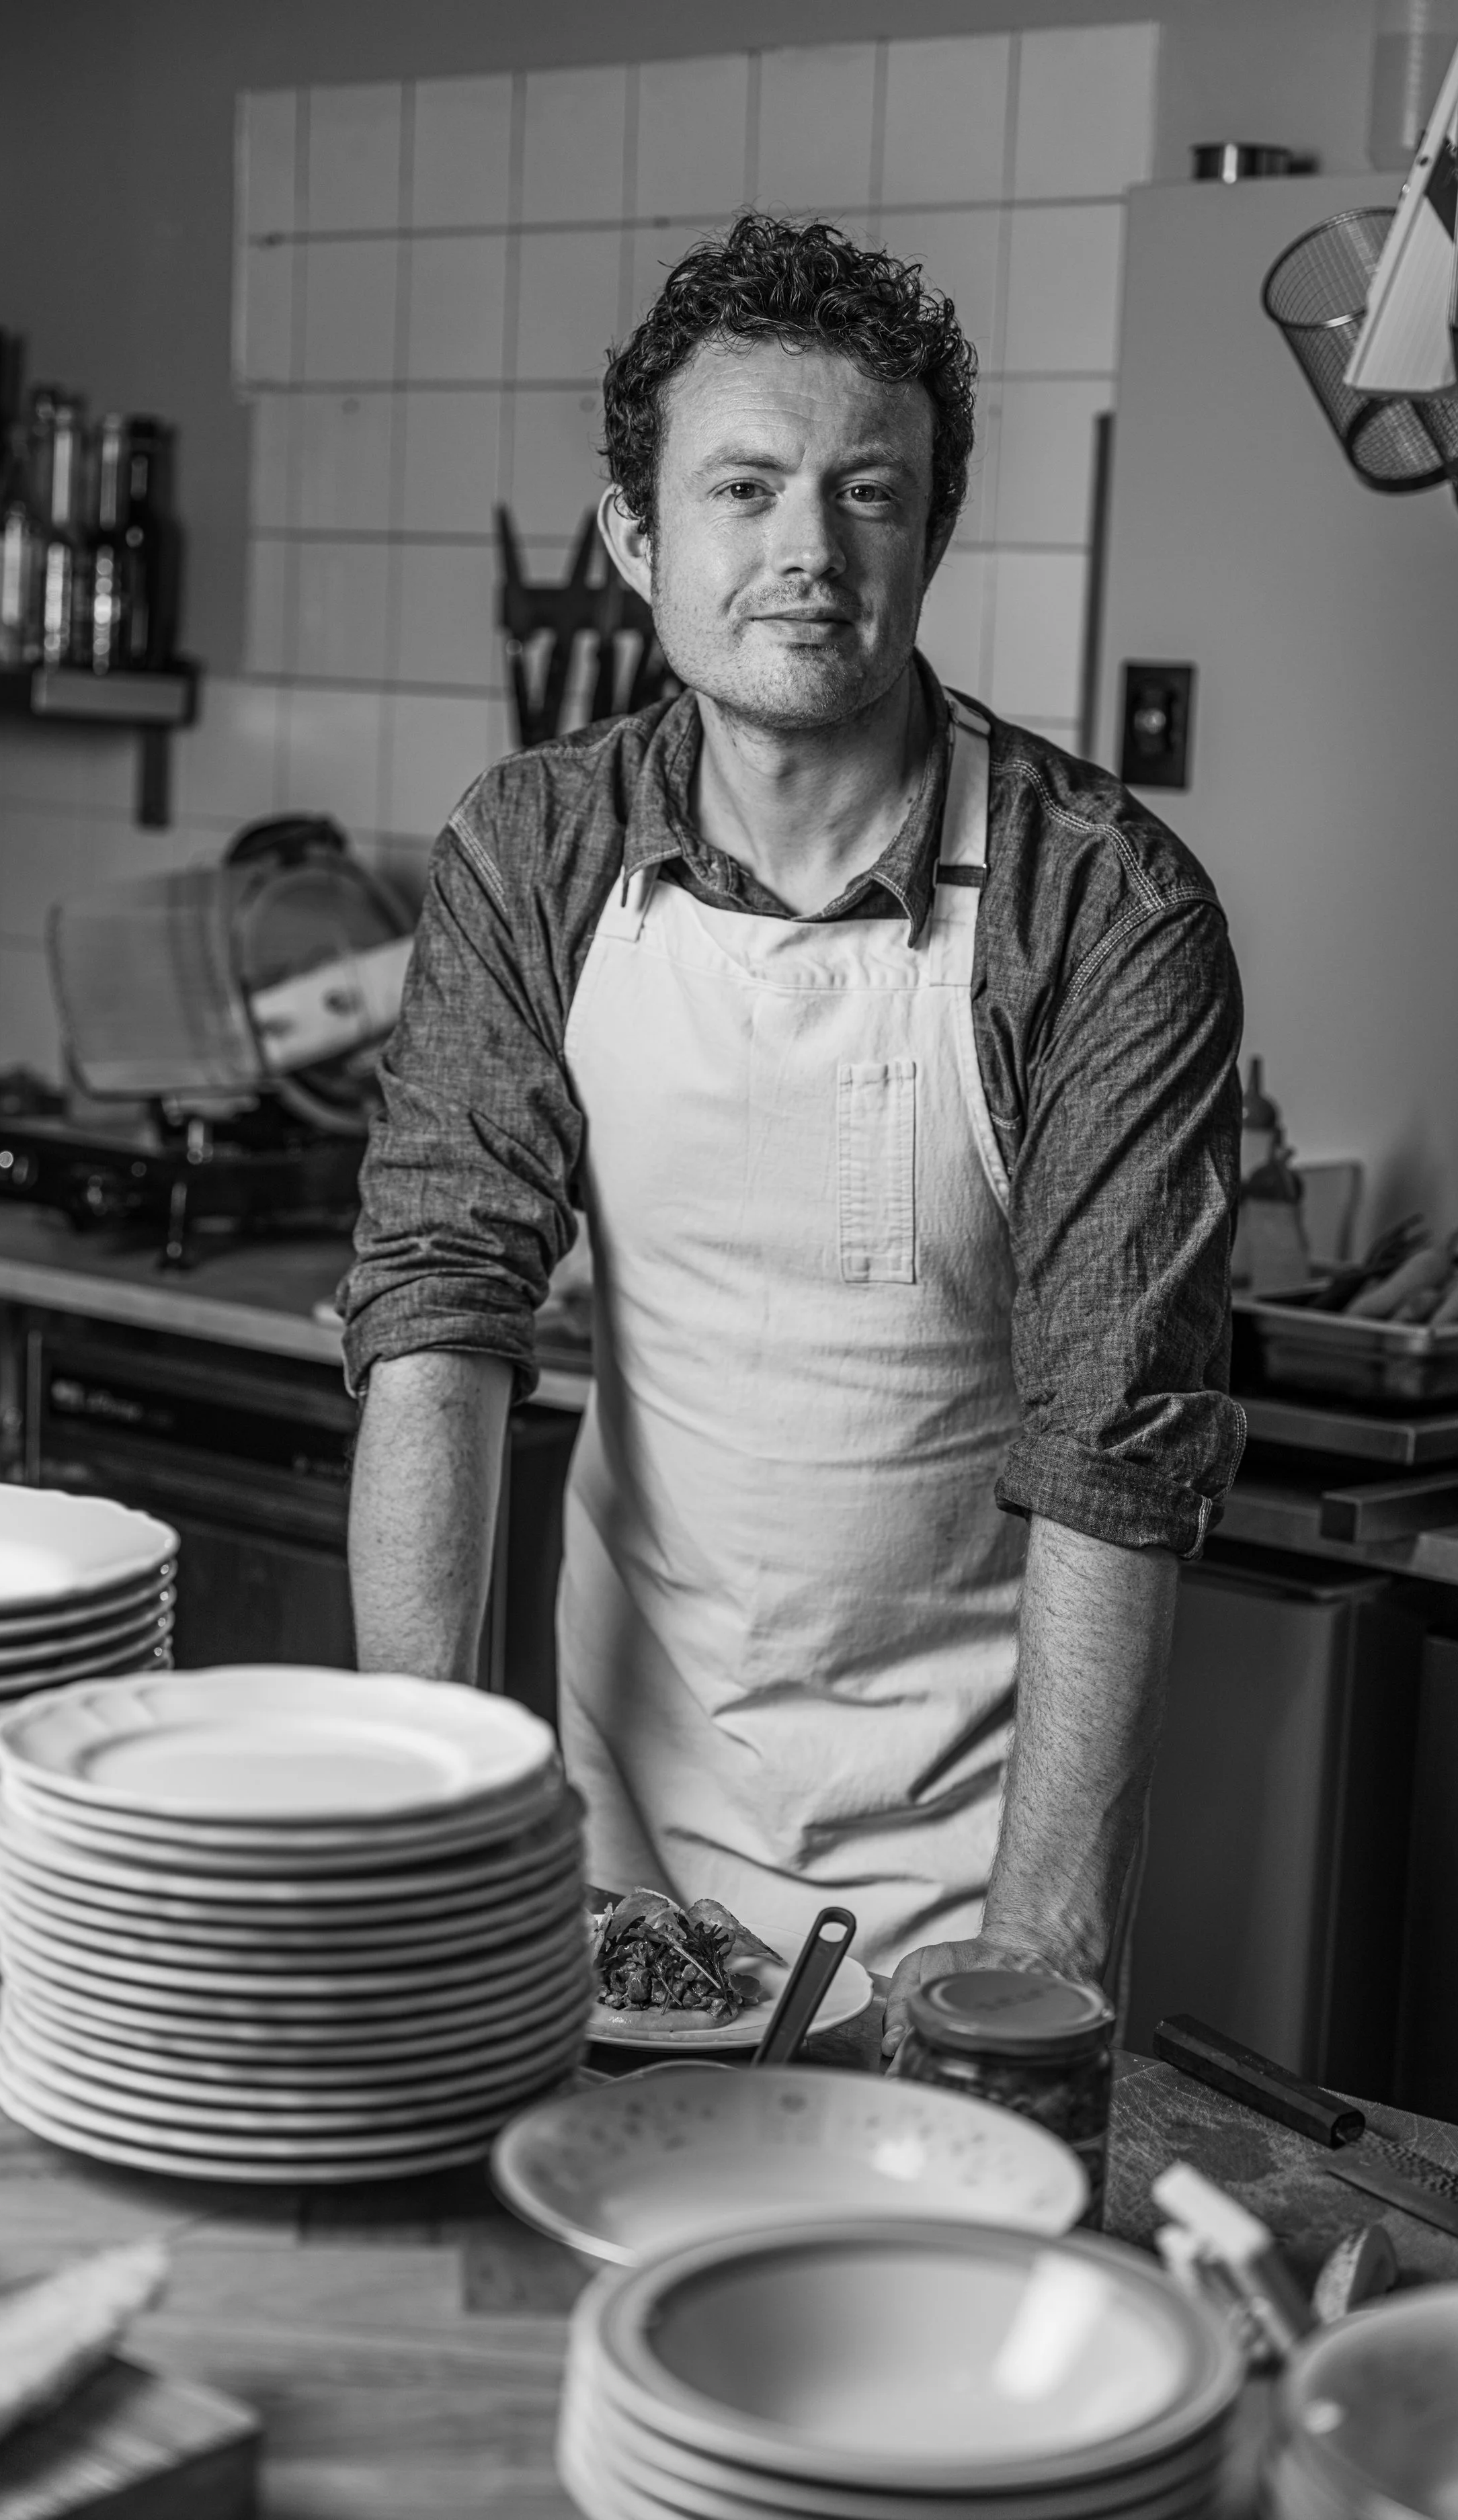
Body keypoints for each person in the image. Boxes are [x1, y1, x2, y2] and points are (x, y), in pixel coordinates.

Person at [341, 214, 1244, 2048]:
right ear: (633, 537)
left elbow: (1114, 1453)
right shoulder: (534, 847)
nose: (805, 555)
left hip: (967, 1867)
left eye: (867, 493)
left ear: (928, 530)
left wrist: (1033, 1970)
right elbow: (440, 1323)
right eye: (742, 489)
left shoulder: (1100, 909)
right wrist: (428, 1842)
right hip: (604, 1842)